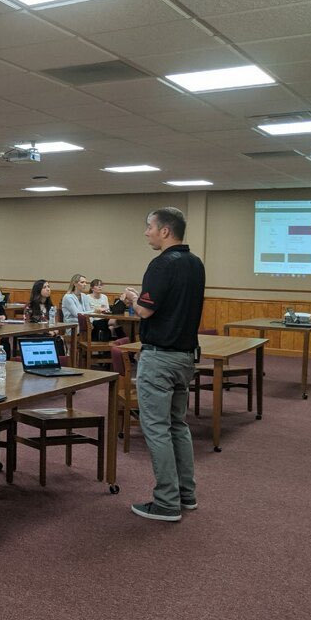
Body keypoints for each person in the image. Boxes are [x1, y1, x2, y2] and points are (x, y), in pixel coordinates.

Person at [120, 207, 205, 523]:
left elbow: (145, 312)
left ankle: (167, 502)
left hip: (160, 357)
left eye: (149, 227)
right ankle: (186, 494)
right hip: (185, 356)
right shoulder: (196, 264)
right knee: (177, 425)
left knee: (156, 427)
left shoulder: (160, 264)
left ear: (166, 231)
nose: (146, 232)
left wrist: (131, 298)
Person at [23, 279, 65, 356]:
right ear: (38, 290)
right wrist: (46, 332)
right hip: (35, 335)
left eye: (48, 287)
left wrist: (55, 331)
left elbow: (55, 323)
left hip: (50, 334)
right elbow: (27, 324)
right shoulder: (30, 306)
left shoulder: (51, 307)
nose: (48, 289)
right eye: (44, 287)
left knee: (59, 340)